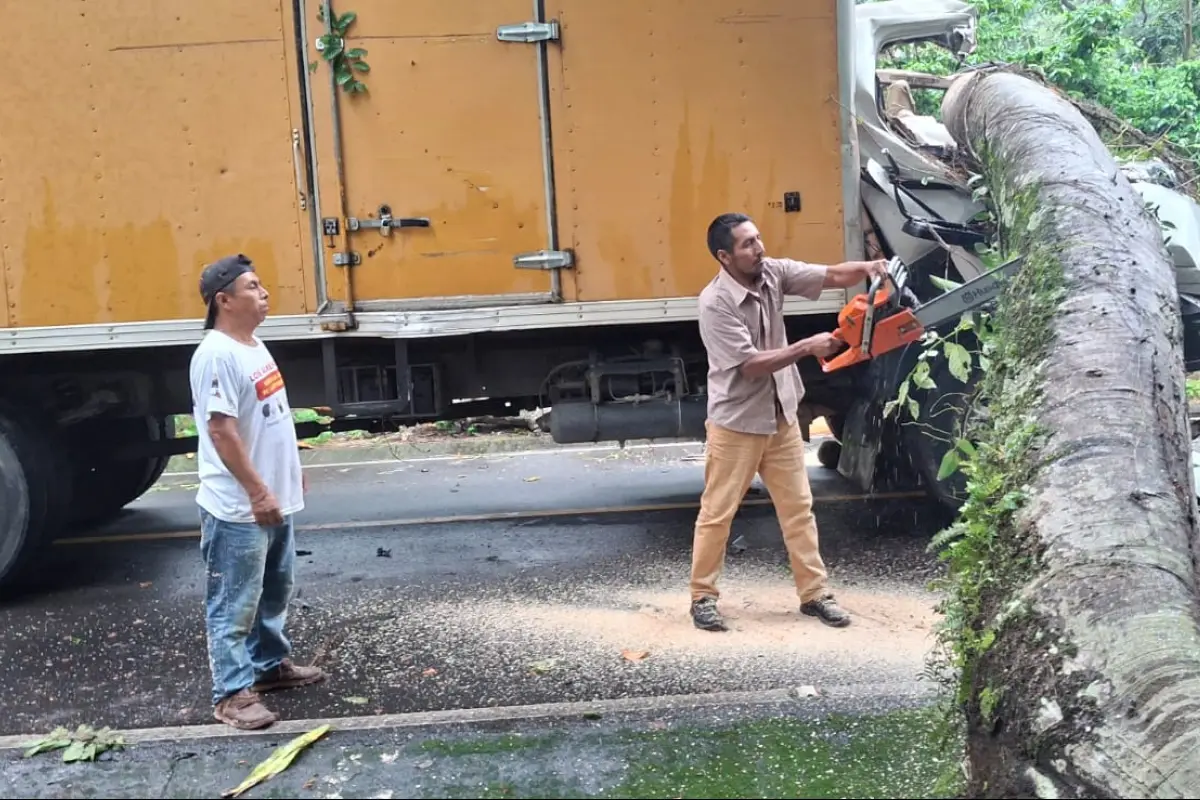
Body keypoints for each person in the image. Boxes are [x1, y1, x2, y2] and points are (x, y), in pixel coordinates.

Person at [689, 213, 887, 632]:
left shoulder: (772, 272)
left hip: (780, 415)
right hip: (737, 423)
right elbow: (750, 366)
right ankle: (702, 598)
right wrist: (806, 346)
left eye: (758, 239)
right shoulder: (715, 303)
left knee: (798, 510)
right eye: (747, 244)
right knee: (717, 514)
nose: (758, 248)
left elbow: (831, 274)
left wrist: (869, 269)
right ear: (725, 256)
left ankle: (815, 595)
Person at [189, 253, 326, 730]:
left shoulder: (252, 345)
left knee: (273, 591)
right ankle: (232, 694)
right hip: (240, 508)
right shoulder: (216, 354)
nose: (263, 292)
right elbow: (222, 432)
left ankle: (269, 667)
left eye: (261, 284)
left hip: (272, 497)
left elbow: (272, 418)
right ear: (224, 300)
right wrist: (257, 492)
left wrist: (288, 474)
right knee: (234, 603)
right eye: (252, 286)